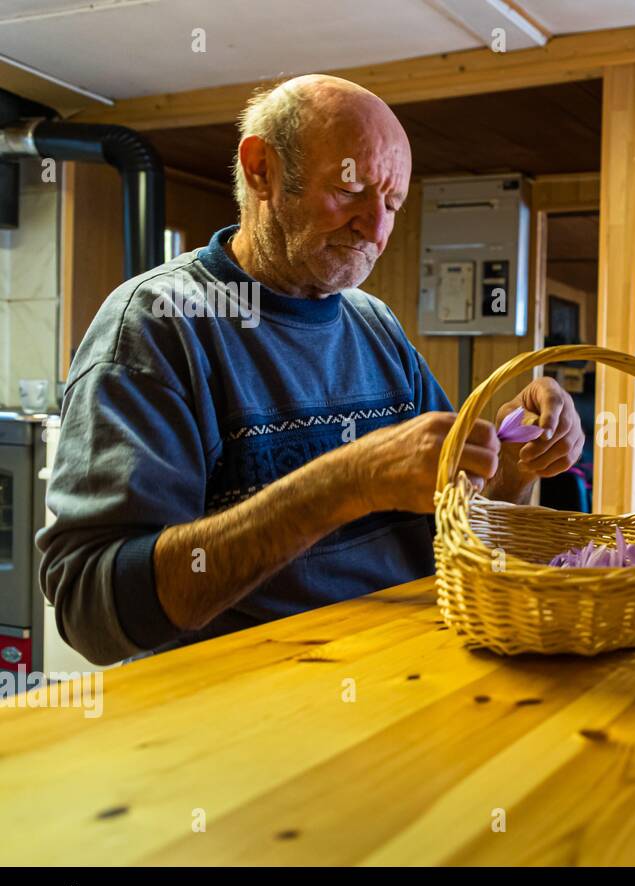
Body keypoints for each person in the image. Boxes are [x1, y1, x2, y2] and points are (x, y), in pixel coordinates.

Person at [37, 75, 584, 665]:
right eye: (350, 190)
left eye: (392, 204)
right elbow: (90, 611)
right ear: (261, 170)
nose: (376, 230)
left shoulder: (375, 325)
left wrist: (516, 466)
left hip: (408, 676)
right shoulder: (158, 326)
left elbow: (457, 521)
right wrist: (344, 484)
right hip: (243, 717)